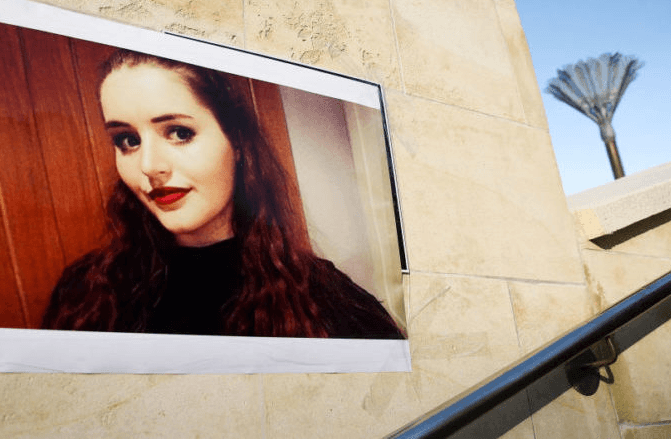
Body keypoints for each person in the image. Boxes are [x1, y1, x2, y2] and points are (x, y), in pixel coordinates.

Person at [42, 49, 405, 339]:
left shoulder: (322, 298)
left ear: (237, 144)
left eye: (179, 133)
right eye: (128, 140)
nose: (150, 166)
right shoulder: (86, 294)